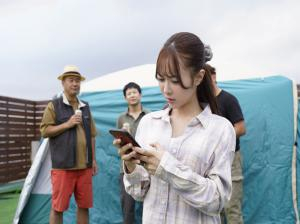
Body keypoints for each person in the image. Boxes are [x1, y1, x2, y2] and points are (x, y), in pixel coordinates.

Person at [113, 32, 236, 223]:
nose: (166, 89)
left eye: (175, 80)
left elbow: (217, 200)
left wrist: (167, 167)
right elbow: (139, 192)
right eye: (161, 79)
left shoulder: (220, 130)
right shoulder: (149, 123)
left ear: (198, 77)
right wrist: (131, 167)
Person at [40, 65, 98, 224]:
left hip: (84, 167)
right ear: (63, 83)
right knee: (58, 208)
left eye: (77, 81)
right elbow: (45, 130)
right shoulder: (54, 105)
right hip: (63, 167)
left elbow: (92, 135)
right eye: (71, 80)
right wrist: (67, 124)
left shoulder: (85, 106)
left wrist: (93, 160)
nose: (75, 84)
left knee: (84, 207)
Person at [205, 64, 246, 224]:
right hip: (210, 160)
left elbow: (241, 128)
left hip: (230, 159)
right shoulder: (202, 103)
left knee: (232, 207)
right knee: (215, 207)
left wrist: (220, 137)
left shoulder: (228, 99)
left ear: (214, 77)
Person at [116, 82, 150, 224]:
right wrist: (124, 136)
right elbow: (118, 144)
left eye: (134, 92)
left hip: (147, 166)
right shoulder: (121, 119)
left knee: (148, 206)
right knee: (127, 207)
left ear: (140, 95)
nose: (132, 95)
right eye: (129, 93)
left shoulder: (150, 116)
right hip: (127, 167)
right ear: (125, 98)